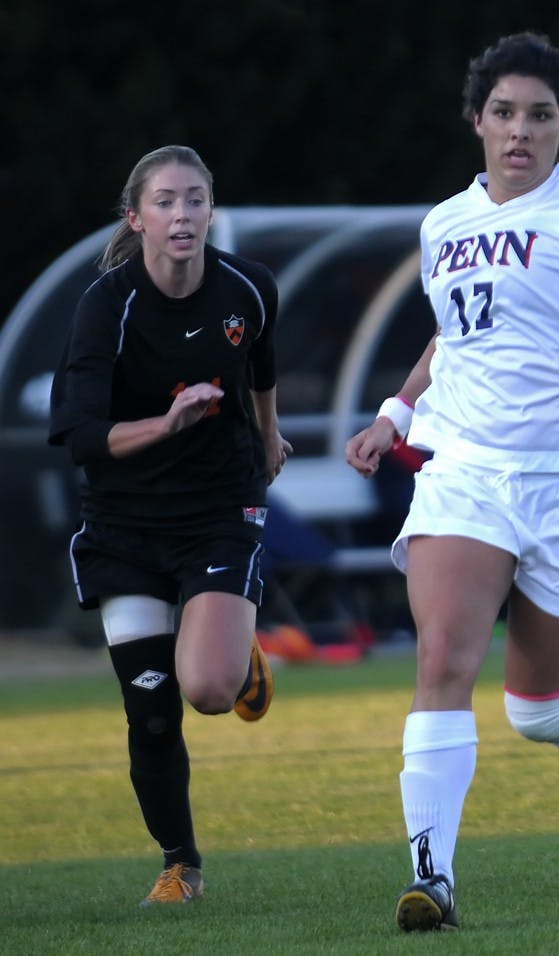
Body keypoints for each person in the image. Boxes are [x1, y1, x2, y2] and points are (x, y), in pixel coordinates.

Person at [346, 33, 559, 932]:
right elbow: (452, 342)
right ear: (477, 122)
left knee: (538, 707)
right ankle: (433, 876)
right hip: (467, 469)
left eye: (541, 115)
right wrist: (395, 414)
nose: (520, 131)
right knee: (442, 658)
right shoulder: (443, 225)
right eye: (504, 113)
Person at [47, 145, 292, 905]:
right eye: (165, 202)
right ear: (136, 218)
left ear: (210, 211)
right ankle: (180, 865)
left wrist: (270, 433)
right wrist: (167, 421)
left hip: (219, 510)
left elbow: (260, 367)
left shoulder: (249, 287)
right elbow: (84, 436)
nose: (182, 216)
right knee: (151, 713)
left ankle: (230, 648)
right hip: (124, 527)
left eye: (195, 200)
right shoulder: (105, 307)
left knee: (210, 691)